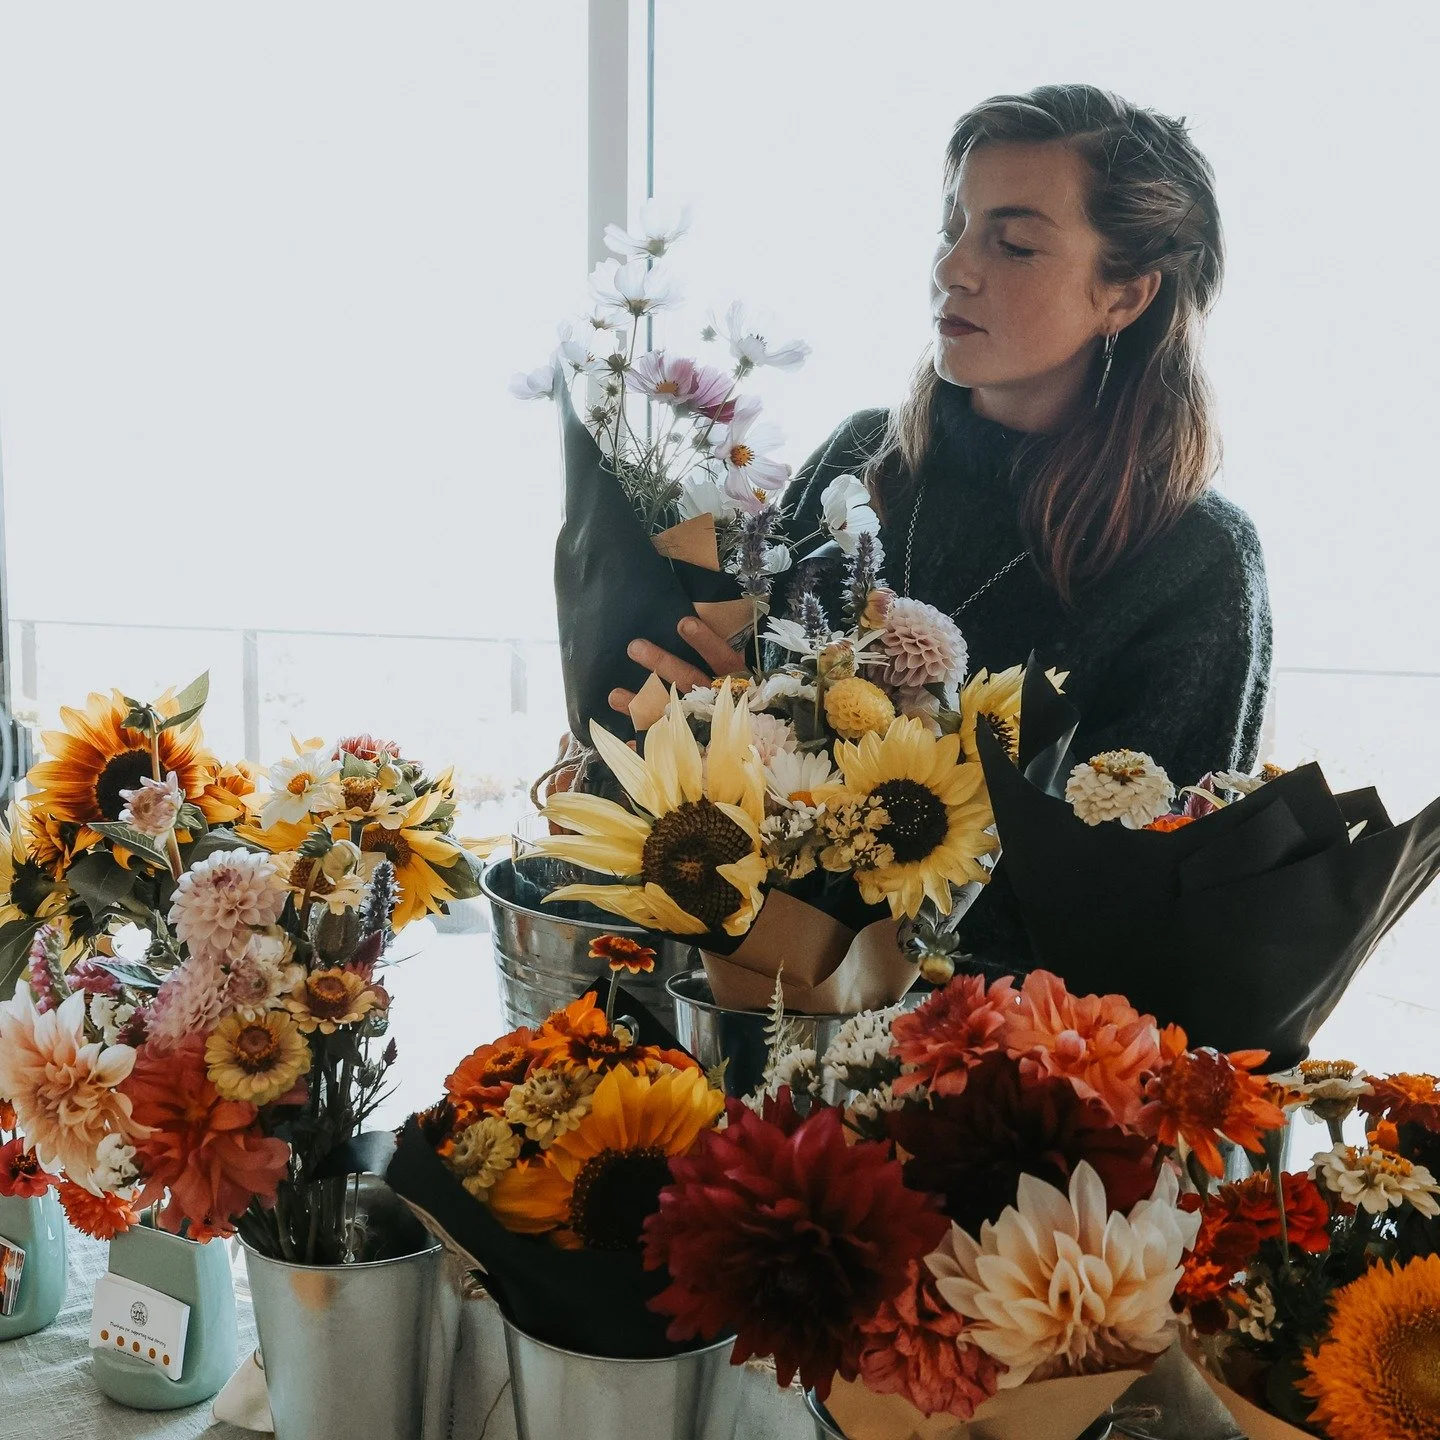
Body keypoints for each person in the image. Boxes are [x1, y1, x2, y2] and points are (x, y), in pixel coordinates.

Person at [611, 83, 1272, 967]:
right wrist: (683, 716)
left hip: (989, 1068)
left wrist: (773, 749)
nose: (954, 268)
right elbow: (725, 716)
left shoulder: (1195, 564)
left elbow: (1125, 917)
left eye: (1016, 242)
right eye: (953, 226)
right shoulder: (866, 458)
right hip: (740, 1006)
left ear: (1126, 295)